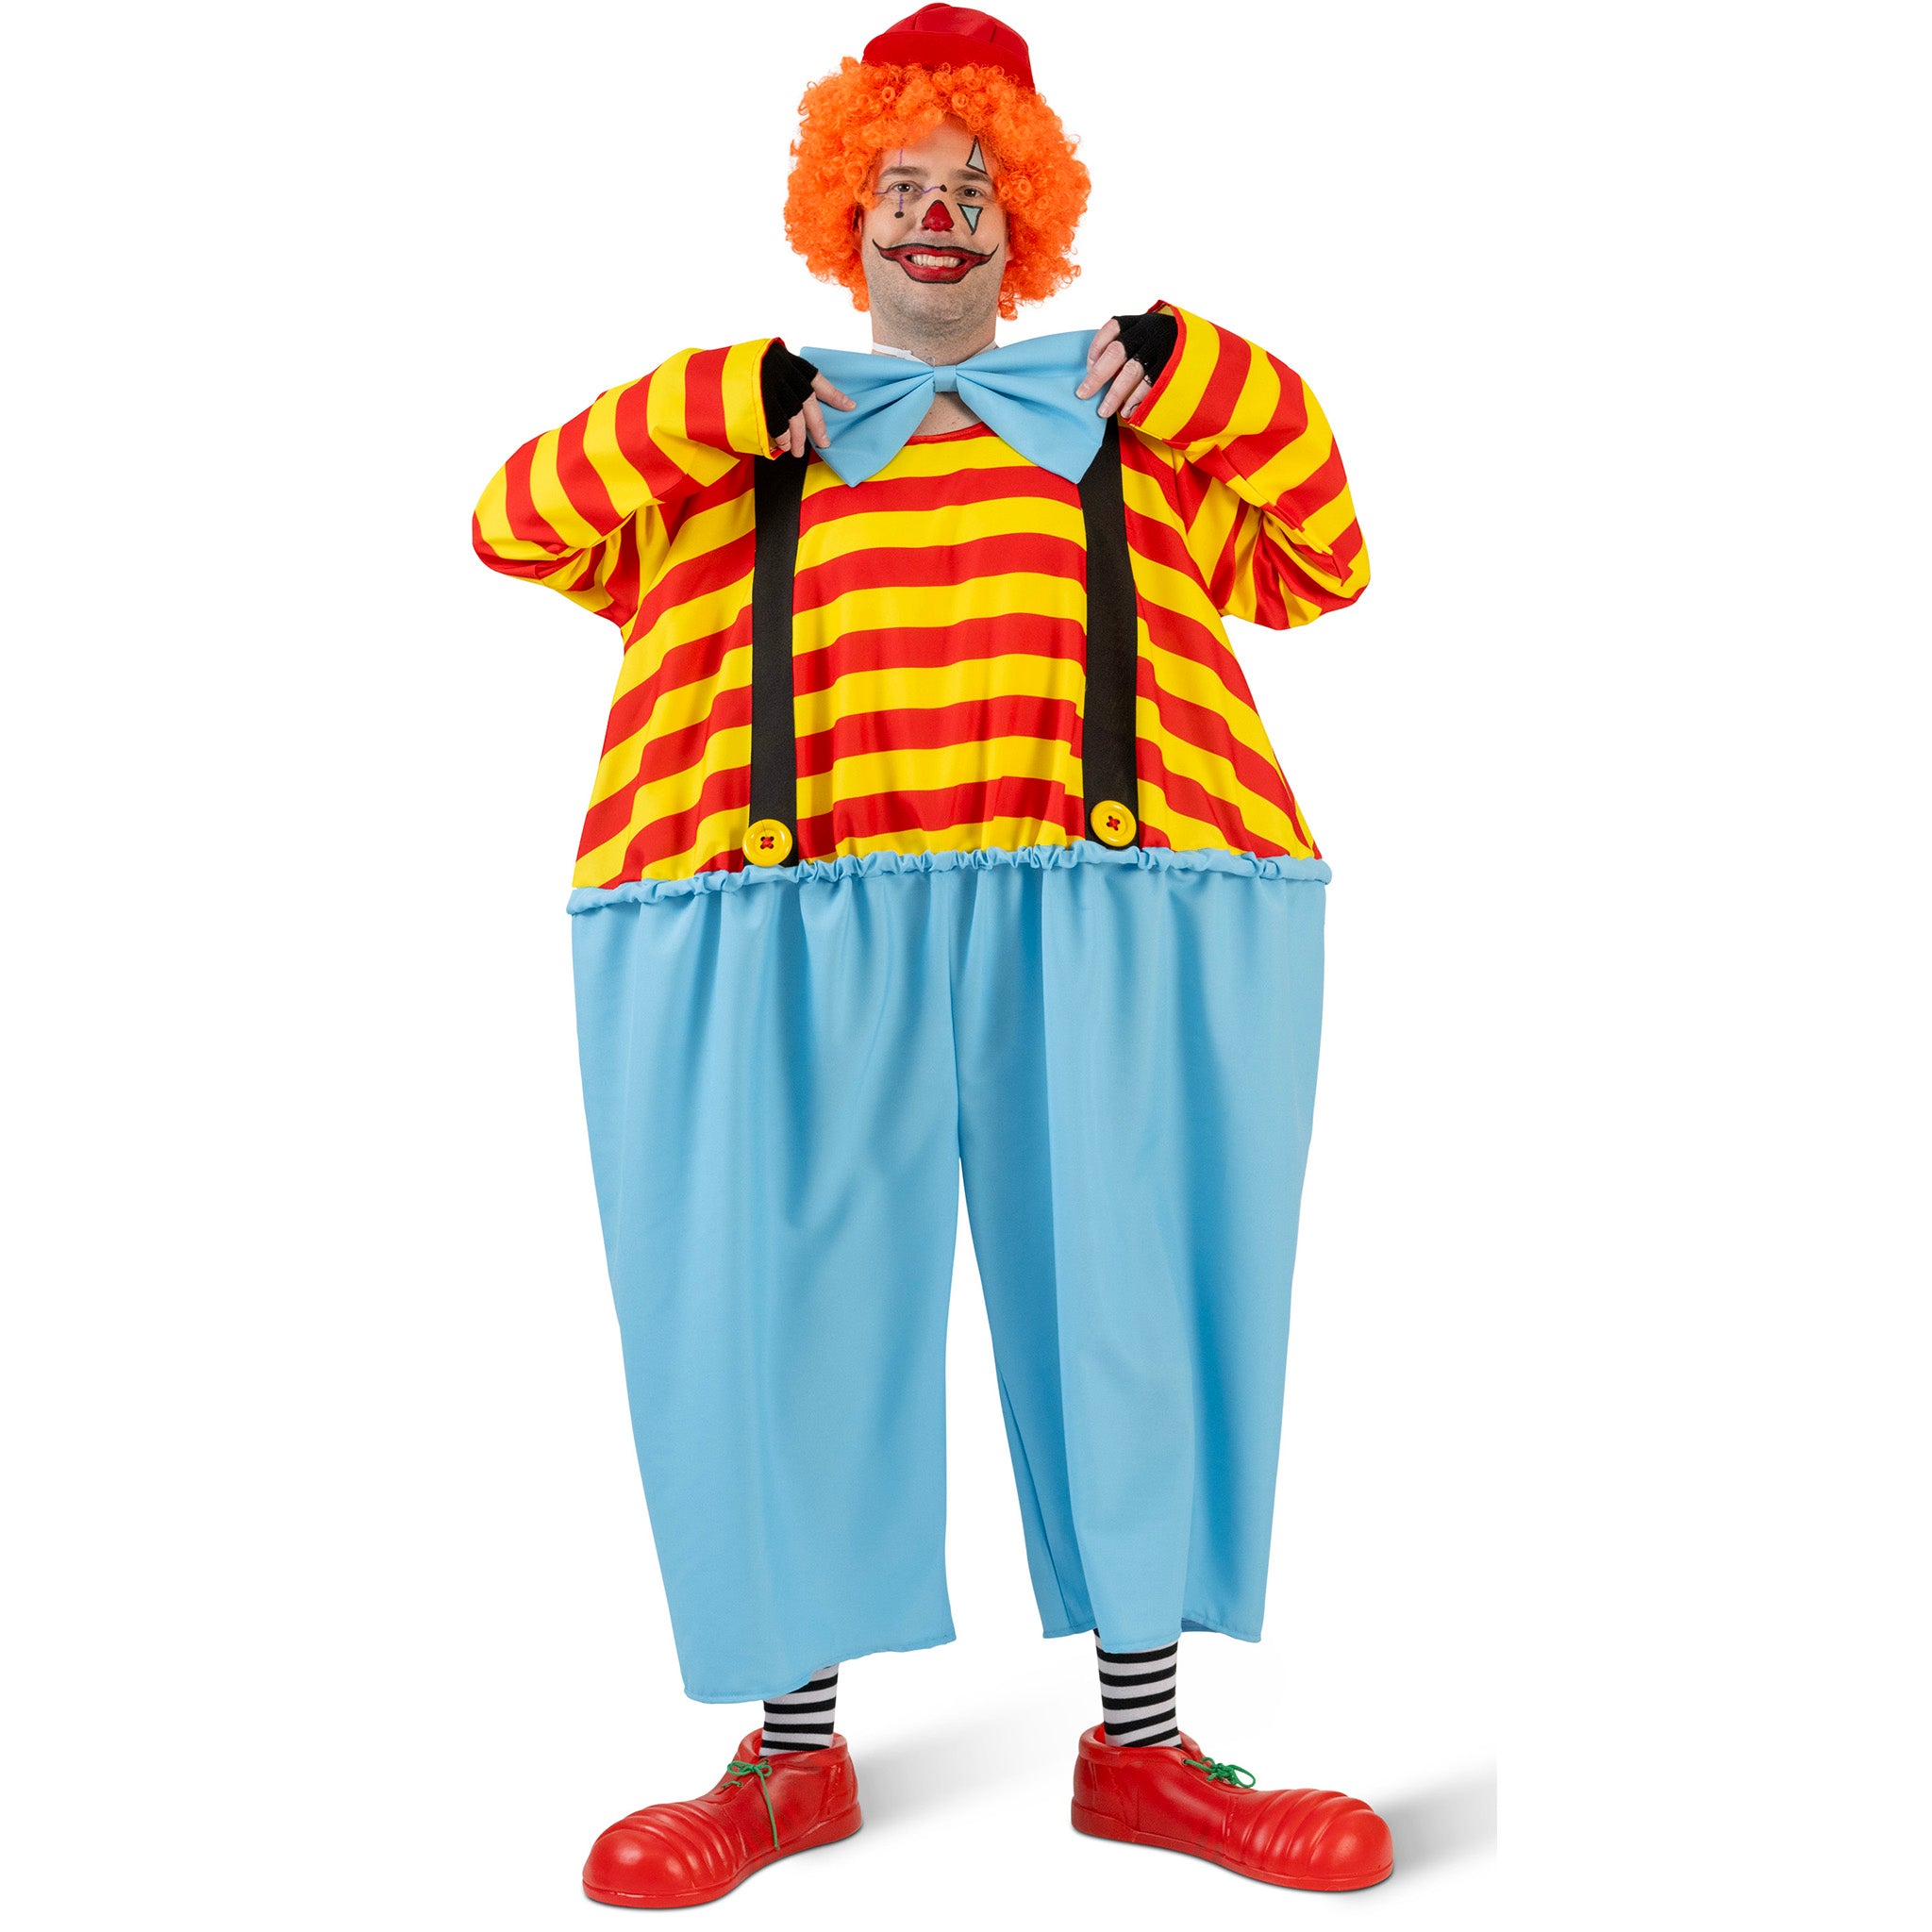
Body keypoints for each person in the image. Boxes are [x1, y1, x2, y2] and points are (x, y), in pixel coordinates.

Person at [474, 6, 1389, 1905]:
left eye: (976, 186)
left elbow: (1323, 558)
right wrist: (711, 399)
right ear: (846, 212)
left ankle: (1146, 1753)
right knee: (767, 1306)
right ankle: (787, 1761)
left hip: (1106, 903)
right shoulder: (743, 432)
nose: (939, 216)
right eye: (902, 183)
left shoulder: (1132, 433)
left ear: (1025, 220)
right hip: (775, 918)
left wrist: (1204, 371)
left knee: (1135, 1302)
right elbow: (513, 520)